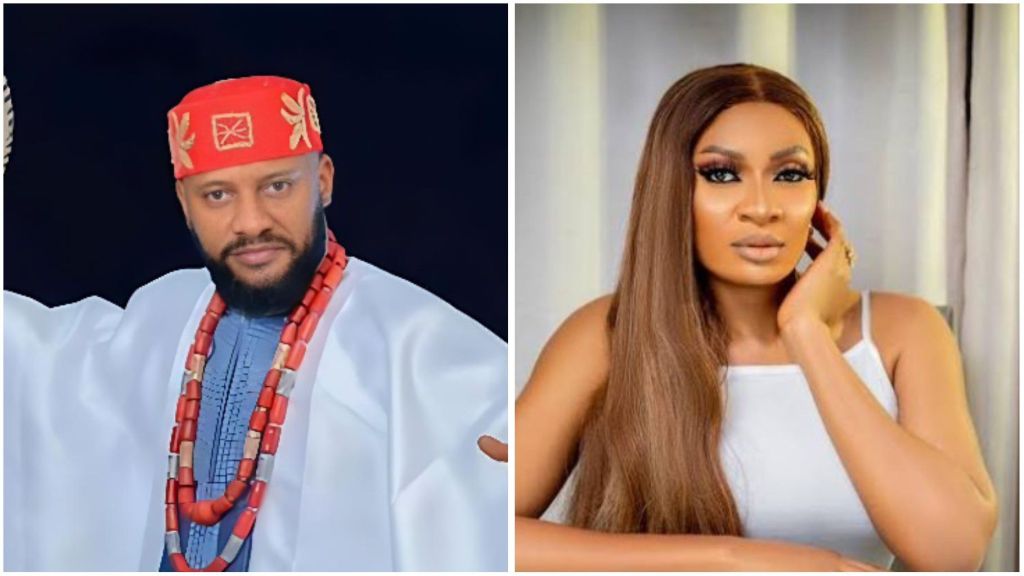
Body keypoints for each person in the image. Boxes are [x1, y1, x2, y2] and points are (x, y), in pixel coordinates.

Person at [4, 75, 508, 571]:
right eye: (217, 195)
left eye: (277, 186)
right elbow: (34, 363)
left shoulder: (416, 344)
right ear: (184, 204)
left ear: (324, 181)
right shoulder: (161, 316)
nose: (250, 222)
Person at [515, 63, 998, 571]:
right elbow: (488, 533)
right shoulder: (606, 335)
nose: (762, 207)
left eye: (790, 175)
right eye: (722, 174)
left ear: (818, 200)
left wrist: (807, 334)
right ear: (672, 190)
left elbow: (954, 554)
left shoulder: (905, 332)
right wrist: (737, 561)